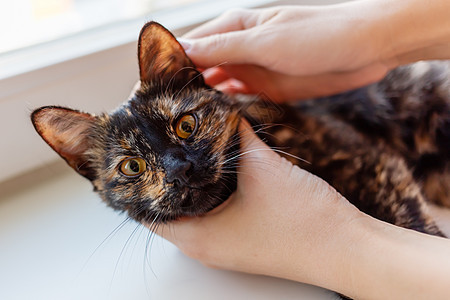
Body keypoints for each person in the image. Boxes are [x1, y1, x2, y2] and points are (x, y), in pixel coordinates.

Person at [151, 1, 450, 299]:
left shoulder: (272, 129)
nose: (177, 168)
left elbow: (375, 171)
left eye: (186, 128)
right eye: (133, 167)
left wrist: (332, 250)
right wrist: (378, 37)